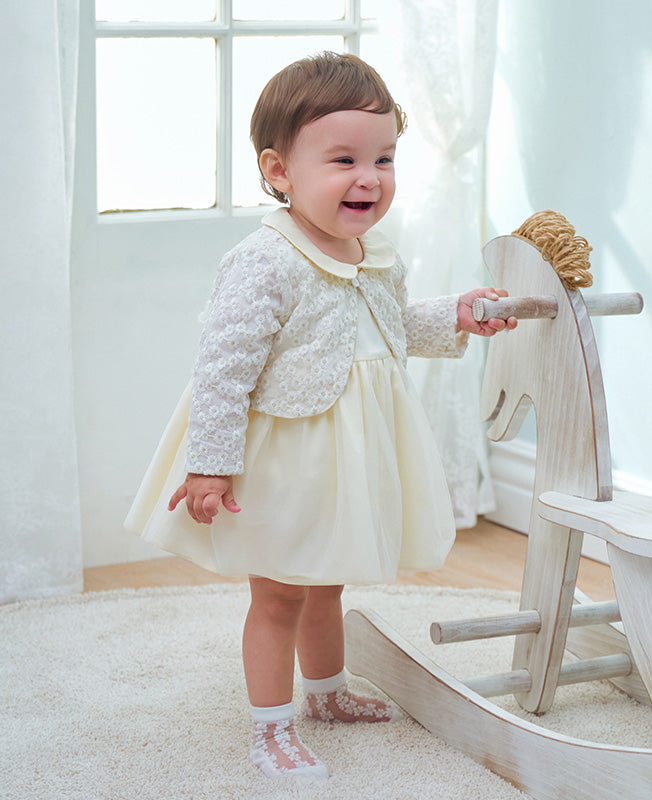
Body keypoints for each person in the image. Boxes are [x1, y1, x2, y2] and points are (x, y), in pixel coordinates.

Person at [125, 51, 517, 781]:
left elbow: (390, 326)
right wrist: (209, 464)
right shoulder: (265, 261)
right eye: (344, 160)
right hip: (286, 459)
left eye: (384, 159)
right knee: (280, 591)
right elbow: (222, 370)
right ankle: (270, 728)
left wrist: (455, 315)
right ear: (279, 171)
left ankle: (326, 691)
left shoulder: (374, 254)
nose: (369, 178)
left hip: (347, 455)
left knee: (327, 579)